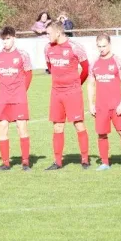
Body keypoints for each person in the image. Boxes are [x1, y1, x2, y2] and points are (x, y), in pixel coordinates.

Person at [44, 21, 90, 170]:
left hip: (73, 92)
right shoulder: (47, 48)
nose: (47, 36)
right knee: (57, 126)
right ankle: (57, 162)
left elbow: (86, 68)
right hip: (56, 92)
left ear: (58, 33)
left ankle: (84, 159)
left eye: (49, 33)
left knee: (78, 124)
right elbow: (50, 67)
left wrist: (77, 84)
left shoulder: (75, 47)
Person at [87, 34, 121, 171]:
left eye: (104, 46)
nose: (101, 49)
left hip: (116, 105)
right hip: (101, 106)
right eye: (99, 46)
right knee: (101, 134)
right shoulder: (94, 63)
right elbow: (90, 84)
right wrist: (91, 104)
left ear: (109, 45)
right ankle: (105, 162)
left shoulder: (117, 61)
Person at [0, 26, 33, 171]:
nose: (5, 42)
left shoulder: (22, 55)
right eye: (3, 39)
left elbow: (28, 74)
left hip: (19, 97)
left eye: (8, 39)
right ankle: (5, 163)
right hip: (3, 98)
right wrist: (6, 88)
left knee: (21, 126)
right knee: (2, 127)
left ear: (14, 38)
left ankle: (25, 162)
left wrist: (21, 90)